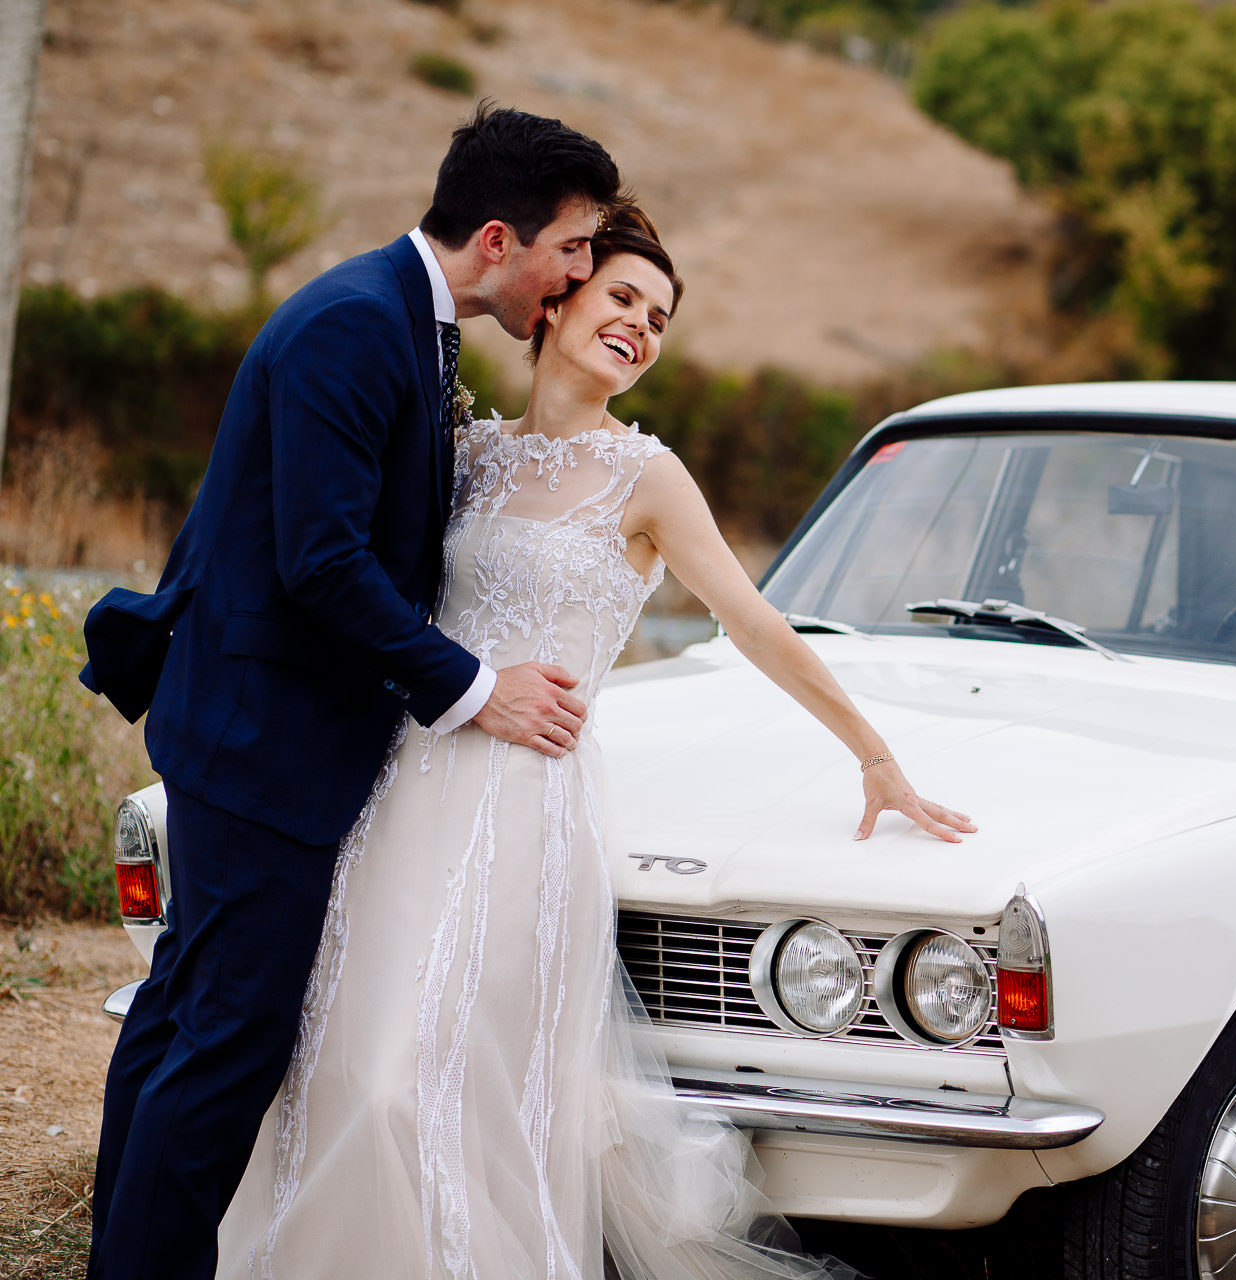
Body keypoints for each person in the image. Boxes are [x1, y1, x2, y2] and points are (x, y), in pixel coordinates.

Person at [211, 201, 972, 1277]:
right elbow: (362, 584)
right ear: (557, 298)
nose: (642, 328)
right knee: (341, 1061)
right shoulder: (464, 452)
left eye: (659, 318)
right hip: (401, 788)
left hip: (526, 810)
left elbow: (752, 620)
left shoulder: (647, 475)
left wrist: (873, 752)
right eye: (624, 296)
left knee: (423, 1080)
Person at [79, 104, 622, 1279]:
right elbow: (320, 563)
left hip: (263, 731)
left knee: (182, 1014)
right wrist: (479, 687)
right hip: (262, 742)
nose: (579, 275)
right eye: (574, 248)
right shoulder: (353, 327)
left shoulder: (407, 322)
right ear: (497, 239)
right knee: (230, 1038)